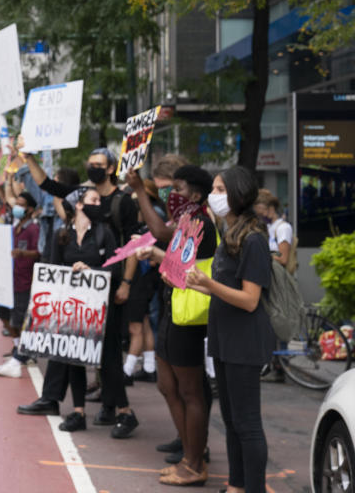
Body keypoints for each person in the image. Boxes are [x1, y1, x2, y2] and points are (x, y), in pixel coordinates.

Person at [17, 188, 139, 439]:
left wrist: (91, 269)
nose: (98, 203)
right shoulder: (62, 235)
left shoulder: (105, 233)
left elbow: (116, 269)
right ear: (79, 205)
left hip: (102, 309)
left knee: (109, 360)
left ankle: (125, 412)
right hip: (72, 308)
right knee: (73, 356)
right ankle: (78, 412)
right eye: (93, 200)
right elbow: (52, 267)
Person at [186, 166, 276, 493]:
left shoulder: (253, 240)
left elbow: (250, 300)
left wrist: (208, 282)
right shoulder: (230, 234)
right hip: (224, 339)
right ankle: (237, 485)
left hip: (244, 342)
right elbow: (221, 289)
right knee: (231, 420)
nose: (214, 195)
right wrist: (192, 283)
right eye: (214, 189)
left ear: (238, 193)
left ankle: (253, 488)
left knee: (248, 424)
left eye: (220, 189)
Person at [129, 165, 216, 486]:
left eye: (177, 188)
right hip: (171, 309)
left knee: (191, 391)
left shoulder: (200, 221)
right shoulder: (187, 220)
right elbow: (175, 258)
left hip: (187, 317)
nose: (171, 194)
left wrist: (139, 189)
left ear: (195, 195)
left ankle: (195, 463)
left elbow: (163, 234)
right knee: (168, 387)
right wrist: (156, 254)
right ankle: (188, 457)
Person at [0, 191, 41, 378]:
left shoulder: (34, 229)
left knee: (19, 320)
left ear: (30, 209)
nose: (16, 207)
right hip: (8, 280)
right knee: (2, 314)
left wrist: (23, 254)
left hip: (24, 281)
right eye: (16, 203)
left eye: (21, 204)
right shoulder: (15, 227)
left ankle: (22, 355)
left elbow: (39, 252)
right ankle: (19, 348)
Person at [119, 179, 165, 384]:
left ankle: (127, 371)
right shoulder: (152, 217)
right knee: (144, 322)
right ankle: (149, 366)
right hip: (146, 279)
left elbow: (137, 251)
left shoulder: (152, 219)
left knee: (135, 327)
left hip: (141, 279)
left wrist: (126, 282)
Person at [254, 189, 293, 269]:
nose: (261, 216)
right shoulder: (268, 226)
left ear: (271, 208)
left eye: (262, 212)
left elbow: (283, 260)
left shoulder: (283, 228)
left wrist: (262, 256)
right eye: (258, 214)